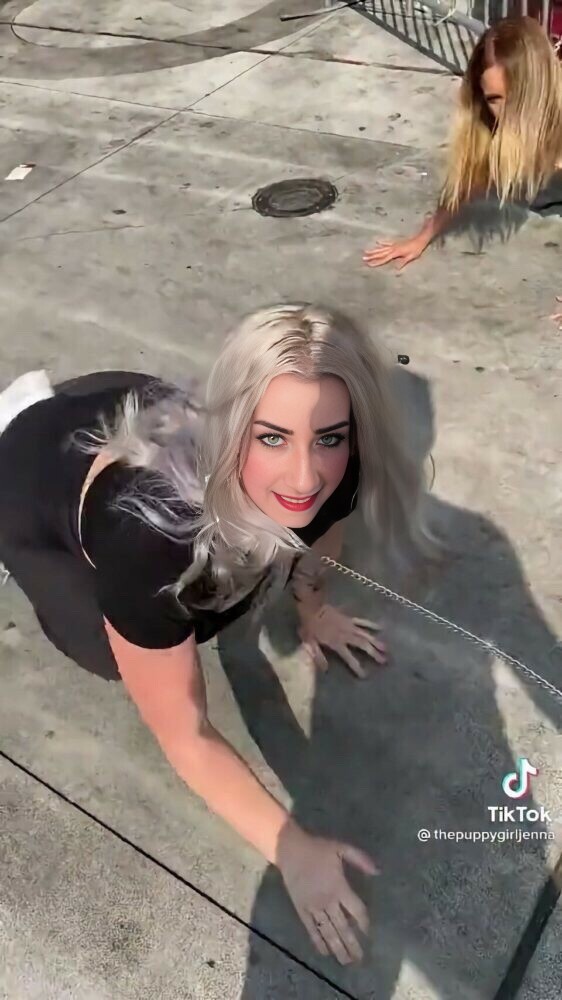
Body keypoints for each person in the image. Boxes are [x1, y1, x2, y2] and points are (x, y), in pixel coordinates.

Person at [0, 304, 433, 965]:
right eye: (272, 438)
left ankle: (56, 408)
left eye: (328, 437)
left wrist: (313, 612)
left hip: (127, 402)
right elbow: (186, 734)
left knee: (234, 580)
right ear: (234, 426)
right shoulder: (151, 541)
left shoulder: (334, 467)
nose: (306, 477)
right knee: (111, 650)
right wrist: (291, 849)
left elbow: (321, 531)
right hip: (32, 481)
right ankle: (16, 416)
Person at [363, 16, 562, 280]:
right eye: (494, 99)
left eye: (518, 97)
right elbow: (466, 187)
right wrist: (421, 238)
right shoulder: (490, 130)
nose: (506, 113)